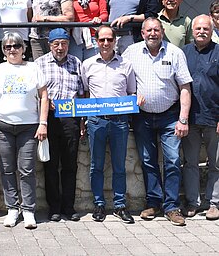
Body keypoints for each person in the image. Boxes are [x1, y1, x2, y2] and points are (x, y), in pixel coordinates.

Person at [123, 17, 192, 226]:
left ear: (162, 32)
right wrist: (131, 95)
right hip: (142, 116)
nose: (153, 33)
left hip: (170, 115)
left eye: (156, 30)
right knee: (147, 160)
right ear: (142, 33)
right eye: (149, 30)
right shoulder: (131, 52)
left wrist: (183, 119)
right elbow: (121, 80)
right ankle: (153, 203)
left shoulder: (175, 53)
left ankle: (172, 207)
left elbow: (185, 87)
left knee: (173, 160)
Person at [0, 32, 49, 229]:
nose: (12, 50)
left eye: (16, 46)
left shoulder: (33, 68)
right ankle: (12, 208)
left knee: (27, 169)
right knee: (7, 168)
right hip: (2, 126)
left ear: (23, 48)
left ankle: (28, 210)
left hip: (29, 127)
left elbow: (44, 97)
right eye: (8, 46)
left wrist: (43, 123)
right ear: (3, 50)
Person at [81, 25, 137, 224]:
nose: (106, 43)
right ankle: (99, 204)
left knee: (119, 166)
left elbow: (131, 91)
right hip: (96, 121)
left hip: (119, 121)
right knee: (96, 165)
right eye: (102, 40)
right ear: (96, 42)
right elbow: (85, 93)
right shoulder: (87, 65)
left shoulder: (126, 65)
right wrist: (83, 120)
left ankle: (119, 205)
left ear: (115, 41)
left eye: (109, 39)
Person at [35, 28, 84, 222]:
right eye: (56, 44)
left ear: (68, 44)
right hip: (49, 118)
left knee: (70, 165)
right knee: (51, 165)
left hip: (71, 118)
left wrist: (82, 121)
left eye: (64, 43)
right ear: (50, 45)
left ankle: (68, 207)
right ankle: (54, 207)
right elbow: (35, 94)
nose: (60, 48)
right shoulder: (40, 64)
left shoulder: (76, 62)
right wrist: (45, 106)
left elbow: (82, 93)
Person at [181, 15, 219, 221]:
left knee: (216, 163)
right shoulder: (184, 52)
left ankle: (214, 203)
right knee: (190, 163)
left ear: (212, 31)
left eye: (206, 28)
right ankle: (192, 202)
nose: (202, 32)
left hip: (214, 117)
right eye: (198, 28)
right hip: (191, 117)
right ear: (192, 31)